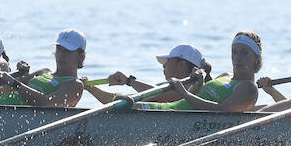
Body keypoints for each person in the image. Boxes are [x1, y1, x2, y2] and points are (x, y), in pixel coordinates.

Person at [140, 32, 263, 112]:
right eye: (234, 52)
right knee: (122, 99)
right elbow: (202, 95)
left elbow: (222, 111)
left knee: (125, 107)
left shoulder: (248, 88)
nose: (237, 58)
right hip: (169, 109)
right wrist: (198, 84)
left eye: (244, 53)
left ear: (256, 58)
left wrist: (184, 93)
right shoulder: (225, 76)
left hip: (175, 116)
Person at [83, 43, 212, 105]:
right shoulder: (166, 86)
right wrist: (91, 88)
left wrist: (129, 81)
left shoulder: (193, 88)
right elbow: (116, 101)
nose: (163, 65)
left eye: (168, 61)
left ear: (182, 65)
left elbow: (167, 95)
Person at [0, 29, 87, 107]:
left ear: (81, 56)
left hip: (7, 114)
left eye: (67, 51)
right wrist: (21, 73)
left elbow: (44, 103)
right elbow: (4, 89)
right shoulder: (44, 71)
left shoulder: (75, 85)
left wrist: (14, 82)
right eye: (59, 49)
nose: (61, 55)